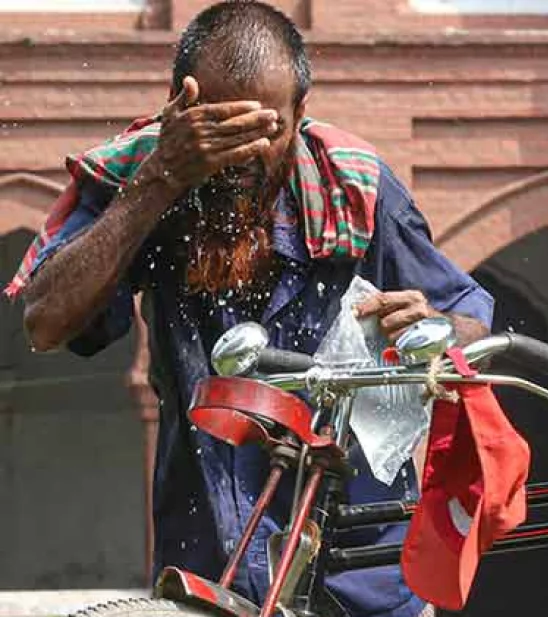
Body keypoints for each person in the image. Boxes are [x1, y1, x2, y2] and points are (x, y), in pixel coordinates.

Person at [11, 2, 492, 616]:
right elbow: (45, 321)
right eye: (221, 130)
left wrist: (430, 326)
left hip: (363, 576)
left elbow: (468, 317)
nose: (240, 159)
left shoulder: (354, 188)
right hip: (213, 568)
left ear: (299, 115)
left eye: (263, 133)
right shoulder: (142, 178)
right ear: (181, 107)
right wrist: (160, 180)